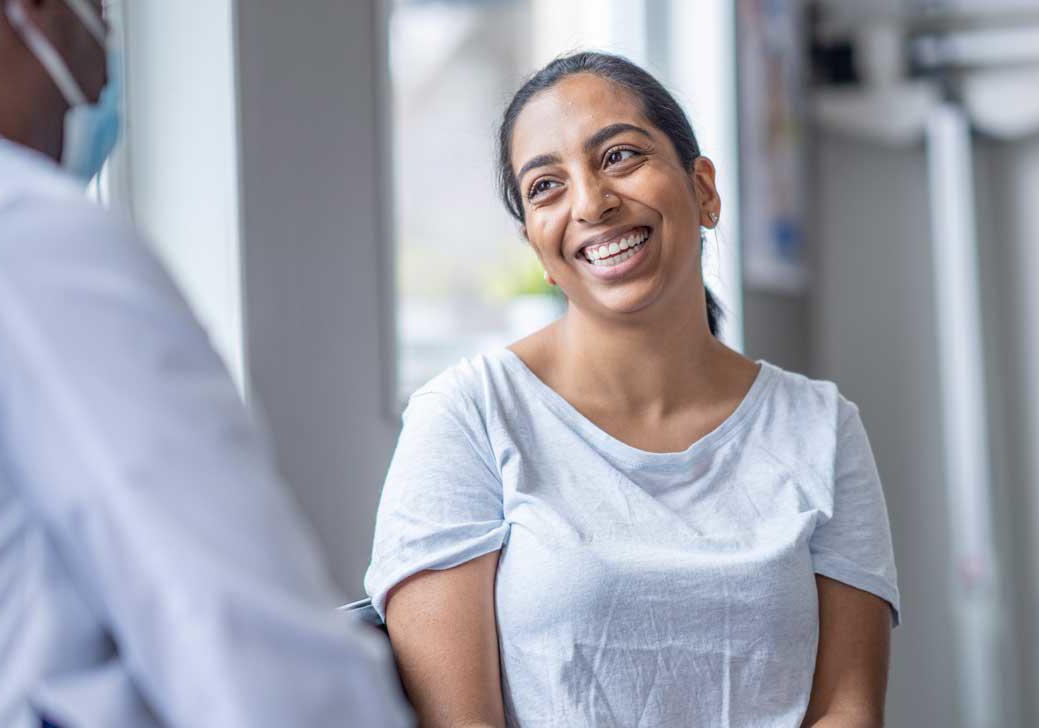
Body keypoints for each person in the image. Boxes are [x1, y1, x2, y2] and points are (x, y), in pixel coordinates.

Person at [0, 1, 410, 726]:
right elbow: (257, 650)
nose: (104, 65)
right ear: (32, 11)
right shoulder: (9, 232)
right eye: (99, 14)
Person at [364, 51, 901, 728]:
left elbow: (847, 710)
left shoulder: (821, 426)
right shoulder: (467, 417)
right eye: (545, 187)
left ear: (703, 189)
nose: (591, 202)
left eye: (618, 156)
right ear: (538, 246)